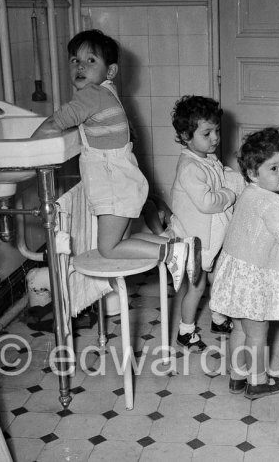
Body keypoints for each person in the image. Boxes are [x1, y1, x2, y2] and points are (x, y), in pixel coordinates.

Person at [32, 29, 199, 291]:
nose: (80, 66)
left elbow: (56, 122)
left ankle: (171, 254)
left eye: (91, 61)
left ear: (110, 72)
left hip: (114, 189)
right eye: (75, 60)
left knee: (109, 249)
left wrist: (28, 143)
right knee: (124, 242)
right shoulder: (107, 92)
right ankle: (181, 245)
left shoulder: (91, 95)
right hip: (123, 184)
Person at [209, 127, 279, 399]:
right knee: (258, 334)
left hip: (234, 273)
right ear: (252, 173)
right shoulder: (275, 204)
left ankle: (237, 376)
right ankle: (258, 380)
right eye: (274, 168)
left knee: (239, 328)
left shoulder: (249, 193)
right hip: (255, 280)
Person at [169, 95, 245, 352]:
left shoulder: (207, 158)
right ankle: (185, 331)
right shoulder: (190, 167)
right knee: (197, 285)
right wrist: (229, 194)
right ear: (185, 136)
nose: (215, 138)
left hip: (211, 237)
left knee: (220, 278)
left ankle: (218, 318)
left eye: (216, 131)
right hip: (194, 240)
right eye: (207, 133)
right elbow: (207, 202)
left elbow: (221, 175)